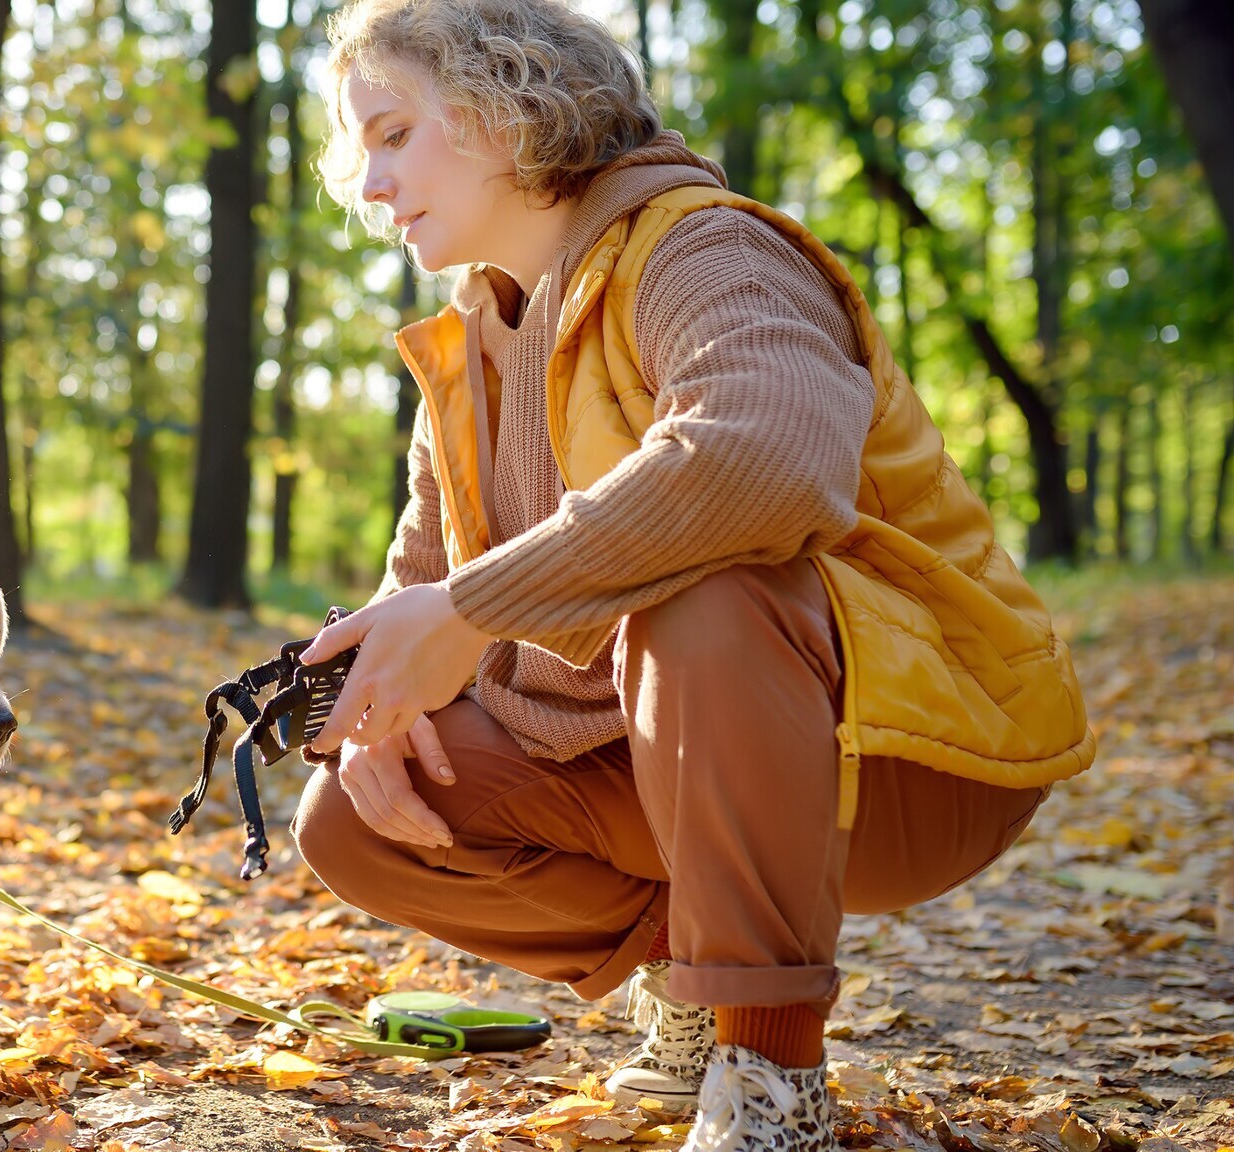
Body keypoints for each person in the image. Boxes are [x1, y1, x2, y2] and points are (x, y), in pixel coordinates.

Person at [286, 3, 1096, 1151]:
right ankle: (687, 977)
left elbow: (766, 459)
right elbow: (419, 589)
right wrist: (366, 713)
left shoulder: (698, 248)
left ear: (506, 109)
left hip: (905, 749)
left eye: (392, 133)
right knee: (357, 822)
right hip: (658, 763)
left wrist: (472, 611)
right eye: (355, 147)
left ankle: (769, 1077)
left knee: (704, 590)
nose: (367, 183)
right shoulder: (465, 345)